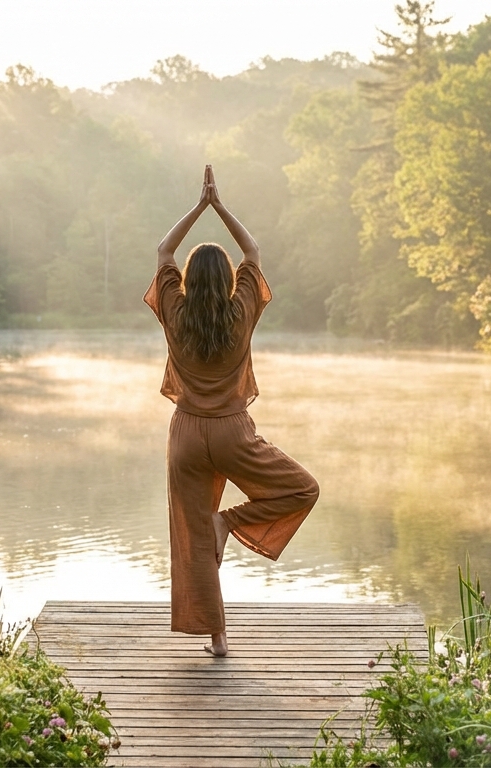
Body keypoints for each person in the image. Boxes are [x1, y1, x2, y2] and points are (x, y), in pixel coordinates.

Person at [144, 165, 320, 657]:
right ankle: (231, 522)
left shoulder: (175, 313)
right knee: (302, 488)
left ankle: (218, 639)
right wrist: (220, 207)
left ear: (185, 281)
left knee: (191, 533)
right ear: (226, 281)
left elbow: (163, 252)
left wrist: (196, 207)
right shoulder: (241, 311)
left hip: (185, 437)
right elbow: (253, 253)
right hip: (232, 433)